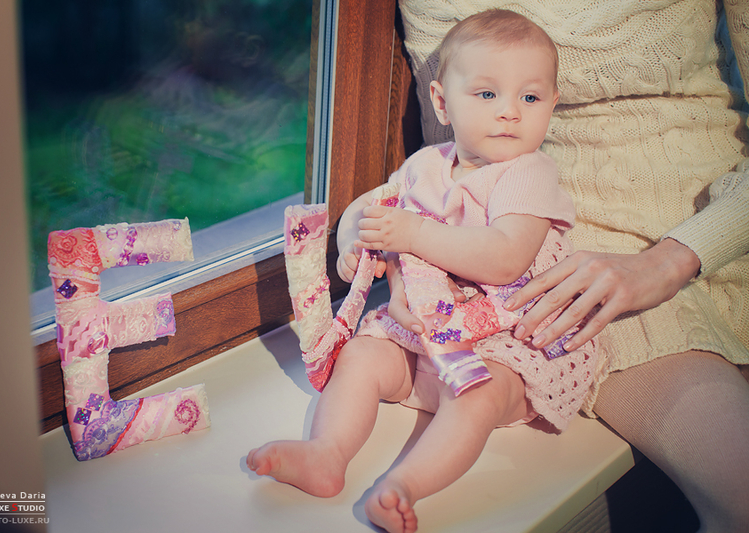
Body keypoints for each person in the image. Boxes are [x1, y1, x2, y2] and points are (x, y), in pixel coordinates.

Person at [390, 1, 749, 531]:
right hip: (560, 290)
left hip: (720, 233)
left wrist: (671, 259)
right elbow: (446, 165)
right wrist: (411, 267)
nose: (509, 110)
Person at [248, 10, 600, 533]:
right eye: (487, 94)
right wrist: (351, 245)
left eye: (530, 98)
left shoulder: (528, 174)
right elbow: (372, 208)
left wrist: (411, 235)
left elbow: (505, 258)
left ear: (551, 104)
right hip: (418, 342)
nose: (509, 112)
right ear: (441, 102)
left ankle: (404, 486)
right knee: (362, 355)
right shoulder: (426, 166)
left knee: (480, 395)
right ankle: (327, 453)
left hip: (502, 341)